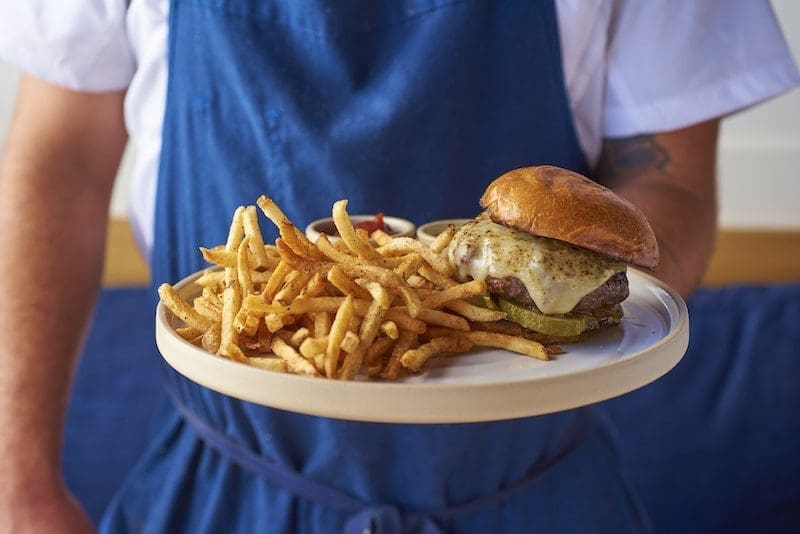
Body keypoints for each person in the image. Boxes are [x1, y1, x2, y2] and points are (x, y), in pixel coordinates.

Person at [0, 0, 797, 532]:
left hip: (539, 493)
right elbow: (58, 156)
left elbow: (670, 176)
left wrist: (584, 301)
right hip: (219, 485)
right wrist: (19, 486)